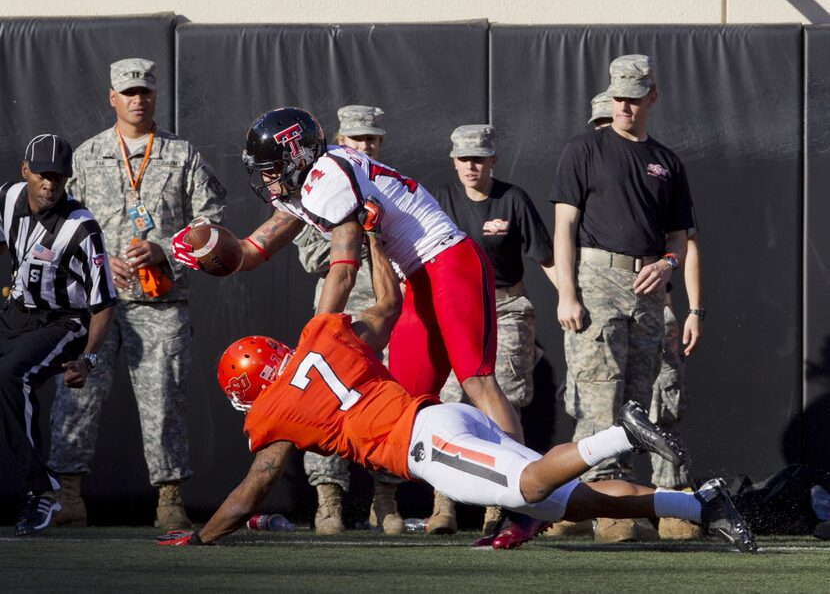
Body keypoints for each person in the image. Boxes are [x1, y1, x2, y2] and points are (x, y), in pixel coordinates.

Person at [157, 229, 756, 554]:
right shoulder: (319, 339)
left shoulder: (274, 414)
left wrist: (201, 536)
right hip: (442, 417)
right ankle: (698, 505)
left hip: (424, 446)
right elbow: (385, 302)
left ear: (247, 388)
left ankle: (622, 430)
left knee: (529, 485)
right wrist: (371, 238)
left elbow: (252, 490)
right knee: (561, 499)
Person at [172, 107, 522, 459]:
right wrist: (209, 254)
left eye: (272, 169)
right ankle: (471, 483)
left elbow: (344, 271)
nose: (266, 180)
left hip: (448, 259)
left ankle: (529, 491)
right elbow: (249, 252)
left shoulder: (330, 176)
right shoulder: (299, 187)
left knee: (477, 378)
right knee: (408, 400)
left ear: (298, 157)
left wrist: (315, 349)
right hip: (414, 279)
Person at [47, 58, 227, 530]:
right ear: (112, 97)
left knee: (165, 399)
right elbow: (62, 227)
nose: (138, 99)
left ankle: (169, 501)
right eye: (128, 92)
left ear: (155, 96)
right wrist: (102, 258)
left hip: (162, 304)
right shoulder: (85, 157)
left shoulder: (182, 154)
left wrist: (163, 248)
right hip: (97, 303)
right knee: (76, 393)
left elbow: (210, 223)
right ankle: (67, 498)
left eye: (145, 91)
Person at [551, 55, 697, 543]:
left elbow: (679, 238)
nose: (625, 107)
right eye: (618, 99)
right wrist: (567, 293)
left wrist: (668, 265)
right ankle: (606, 507)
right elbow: (564, 227)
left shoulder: (667, 161)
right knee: (598, 399)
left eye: (634, 99)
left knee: (641, 404)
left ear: (652, 98)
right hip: (596, 280)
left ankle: (646, 502)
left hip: (648, 289)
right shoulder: (584, 149)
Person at [430, 125, 556, 536]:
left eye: (479, 158)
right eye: (464, 158)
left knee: (505, 399)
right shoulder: (442, 199)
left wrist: (570, 299)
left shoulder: (512, 199)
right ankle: (442, 506)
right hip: (456, 311)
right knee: (446, 404)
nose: (471, 165)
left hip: (505, 309)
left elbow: (546, 256)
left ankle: (498, 506)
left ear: (493, 160)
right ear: (453, 161)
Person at [292, 104, 403, 535]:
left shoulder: (390, 186)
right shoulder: (317, 189)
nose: (365, 146)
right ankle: (329, 500)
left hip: (387, 305)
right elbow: (311, 255)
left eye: (373, 140)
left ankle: (385, 498)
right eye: (357, 139)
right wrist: (358, 230)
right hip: (336, 305)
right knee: (324, 399)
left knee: (392, 395)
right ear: (340, 142)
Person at [0, 134, 117, 536]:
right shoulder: (8, 199)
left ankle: (41, 491)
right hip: (13, 314)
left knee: (12, 375)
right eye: (43, 175)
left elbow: (103, 304)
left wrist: (89, 358)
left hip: (62, 322)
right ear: (25, 171)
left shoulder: (81, 227)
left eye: (59, 177)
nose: (50, 184)